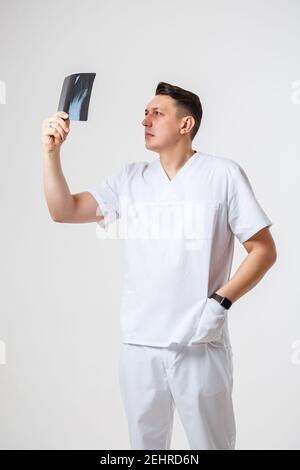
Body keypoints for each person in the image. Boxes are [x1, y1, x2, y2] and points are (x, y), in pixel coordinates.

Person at [41, 81, 277, 450]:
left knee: (212, 446)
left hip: (199, 340)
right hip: (139, 345)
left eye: (157, 113)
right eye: (145, 113)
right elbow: (63, 210)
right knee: (145, 450)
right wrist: (52, 154)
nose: (145, 120)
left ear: (186, 125)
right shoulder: (130, 179)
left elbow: (263, 250)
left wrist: (221, 302)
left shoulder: (223, 175)